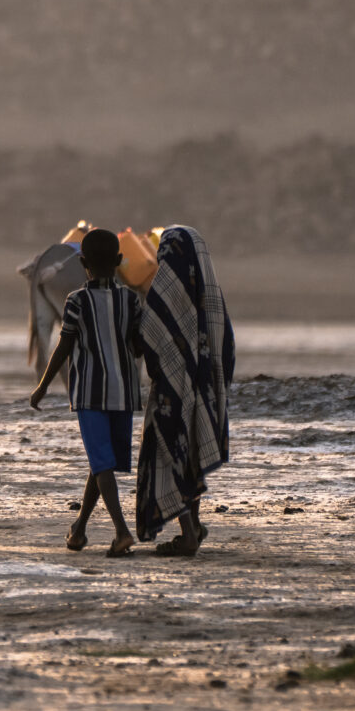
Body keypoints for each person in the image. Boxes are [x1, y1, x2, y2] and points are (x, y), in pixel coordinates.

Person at [28, 226, 144, 556]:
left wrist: (43, 385)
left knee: (102, 462)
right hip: (123, 394)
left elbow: (63, 347)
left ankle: (121, 532)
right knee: (102, 462)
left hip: (89, 394)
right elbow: (138, 348)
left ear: (82, 263)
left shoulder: (77, 301)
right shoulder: (131, 300)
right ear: (121, 261)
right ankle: (79, 529)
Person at [134, 224, 234, 556]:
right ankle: (195, 525)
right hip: (205, 393)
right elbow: (228, 350)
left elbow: (147, 338)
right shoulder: (214, 298)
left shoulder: (165, 291)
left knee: (170, 456)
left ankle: (188, 534)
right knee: (190, 457)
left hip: (171, 393)